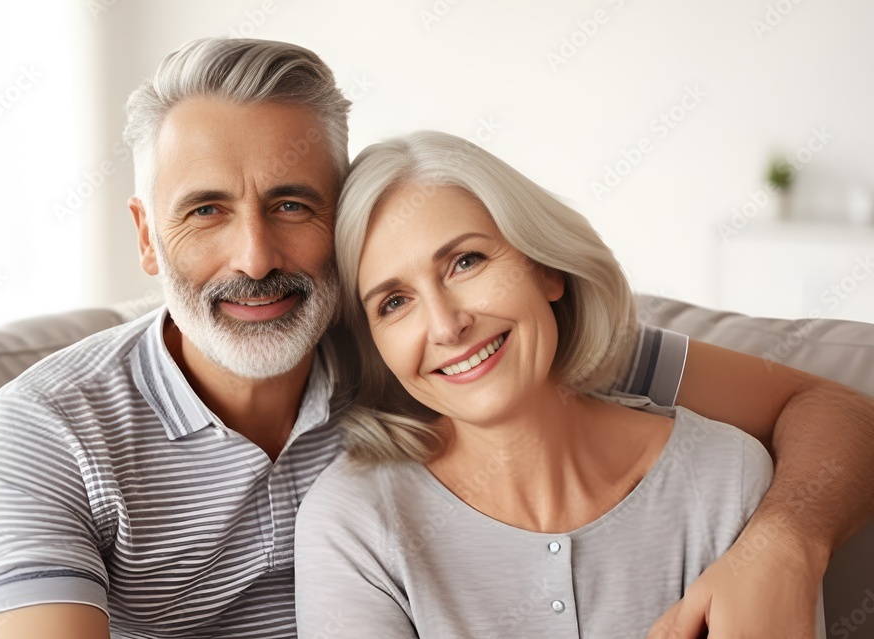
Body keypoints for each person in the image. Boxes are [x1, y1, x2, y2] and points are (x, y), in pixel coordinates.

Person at [0, 38, 874, 639]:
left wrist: (783, 542)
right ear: (144, 234)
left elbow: (827, 407)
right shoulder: (50, 428)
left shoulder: (441, 356)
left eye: (292, 205)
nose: (254, 255)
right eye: (205, 210)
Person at [294, 130, 798, 637]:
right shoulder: (352, 525)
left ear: (547, 269)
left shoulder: (726, 478)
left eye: (466, 262)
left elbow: (828, 407)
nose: (447, 326)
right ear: (377, 347)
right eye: (394, 302)